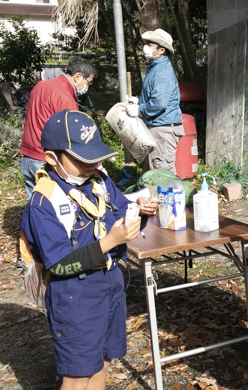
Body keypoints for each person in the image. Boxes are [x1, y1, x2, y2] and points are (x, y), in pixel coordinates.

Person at [20, 109, 158, 389]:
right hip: (74, 295)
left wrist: (141, 212)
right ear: (51, 158)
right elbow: (58, 264)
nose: (92, 164)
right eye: (82, 159)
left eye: (95, 157)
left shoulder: (99, 181)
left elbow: (121, 211)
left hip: (109, 285)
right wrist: (110, 241)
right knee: (79, 373)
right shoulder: (43, 202)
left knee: (103, 361)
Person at [20, 56, 97, 199]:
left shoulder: (40, 86)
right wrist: (95, 163)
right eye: (88, 82)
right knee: (52, 211)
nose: (87, 86)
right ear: (78, 77)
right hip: (46, 160)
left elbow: (26, 119)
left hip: (28, 157)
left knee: (35, 208)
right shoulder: (65, 98)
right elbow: (74, 138)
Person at [126, 28, 183, 174]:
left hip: (163, 130)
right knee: (152, 174)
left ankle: (170, 197)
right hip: (158, 128)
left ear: (161, 50)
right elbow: (153, 97)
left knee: (162, 176)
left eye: (150, 45)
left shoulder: (162, 71)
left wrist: (139, 110)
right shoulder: (155, 67)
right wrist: (138, 100)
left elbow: (159, 103)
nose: (145, 47)